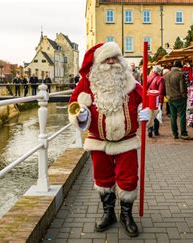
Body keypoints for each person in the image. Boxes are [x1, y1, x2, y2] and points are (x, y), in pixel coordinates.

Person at [68, 42, 151, 237]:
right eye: (107, 59)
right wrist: (79, 115)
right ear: (98, 62)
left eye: (115, 58)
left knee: (129, 179)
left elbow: (145, 101)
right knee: (103, 179)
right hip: (98, 141)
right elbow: (73, 104)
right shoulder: (87, 84)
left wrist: (148, 112)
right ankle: (108, 214)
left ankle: (126, 215)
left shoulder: (130, 81)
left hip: (126, 141)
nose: (112, 62)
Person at [164, 61, 193, 140]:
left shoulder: (166, 75)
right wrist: (184, 96)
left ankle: (175, 134)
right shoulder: (180, 74)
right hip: (179, 98)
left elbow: (165, 87)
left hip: (170, 98)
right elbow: (182, 88)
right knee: (182, 116)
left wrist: (167, 96)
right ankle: (183, 133)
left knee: (173, 116)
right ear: (179, 67)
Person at [147, 65, 165, 137]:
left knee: (150, 114)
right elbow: (161, 92)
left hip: (149, 98)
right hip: (156, 98)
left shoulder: (148, 77)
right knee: (156, 115)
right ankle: (156, 130)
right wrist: (160, 102)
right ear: (158, 71)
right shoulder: (160, 79)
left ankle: (149, 129)